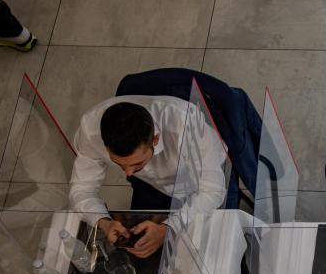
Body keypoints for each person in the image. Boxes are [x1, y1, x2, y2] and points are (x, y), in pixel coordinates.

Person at [69, 96, 228, 258]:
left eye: (137, 163)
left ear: (155, 139)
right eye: (119, 164)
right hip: (153, 186)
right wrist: (103, 222)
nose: (128, 174)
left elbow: (213, 192)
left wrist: (169, 228)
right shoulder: (90, 132)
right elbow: (81, 190)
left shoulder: (186, 124)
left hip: (200, 177)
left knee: (213, 250)